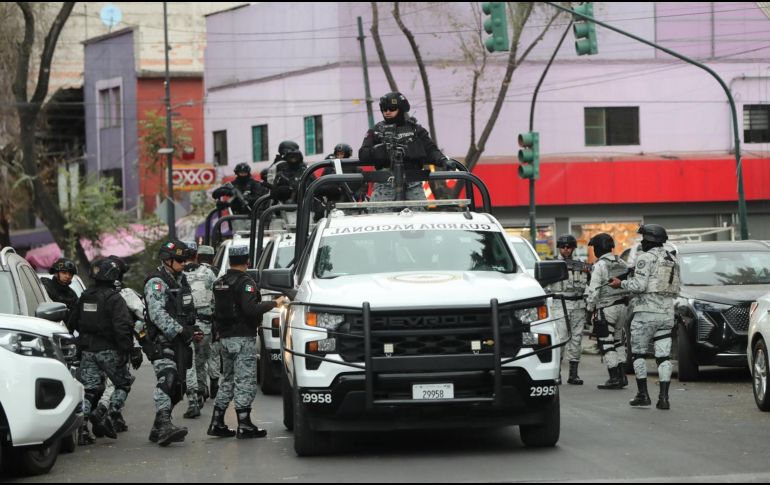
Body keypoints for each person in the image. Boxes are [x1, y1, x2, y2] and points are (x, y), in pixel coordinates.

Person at [208, 245, 286, 439]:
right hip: (242, 337)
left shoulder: (219, 282)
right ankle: (244, 424)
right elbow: (251, 309)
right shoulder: (245, 283)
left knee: (227, 379)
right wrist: (275, 303)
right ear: (247, 261)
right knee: (245, 380)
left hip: (225, 338)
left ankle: (216, 421)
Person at [610, 224, 680, 410]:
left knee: (639, 353)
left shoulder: (644, 258)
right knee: (663, 357)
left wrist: (621, 283)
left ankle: (643, 394)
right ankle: (664, 398)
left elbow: (639, 285)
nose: (642, 242)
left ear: (650, 240)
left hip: (646, 313)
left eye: (644, 239)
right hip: (667, 312)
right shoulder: (672, 258)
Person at [67, 258, 134, 445]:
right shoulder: (114, 298)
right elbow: (122, 326)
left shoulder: (85, 296)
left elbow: (72, 322)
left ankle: (82, 430)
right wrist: (127, 350)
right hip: (109, 350)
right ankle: (104, 413)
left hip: (87, 350)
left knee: (89, 391)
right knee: (124, 383)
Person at [143, 240, 203, 446]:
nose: (184, 263)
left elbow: (186, 311)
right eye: (179, 259)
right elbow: (156, 313)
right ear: (167, 260)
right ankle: (164, 424)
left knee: (178, 387)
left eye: (185, 259)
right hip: (162, 341)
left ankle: (157, 428)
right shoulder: (157, 283)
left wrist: (193, 330)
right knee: (167, 378)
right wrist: (180, 331)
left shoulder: (181, 280)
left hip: (181, 343)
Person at [358, 92, 458, 207]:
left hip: (412, 183)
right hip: (384, 184)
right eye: (384, 109)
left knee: (418, 220)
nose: (387, 112)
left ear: (401, 109)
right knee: (379, 221)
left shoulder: (416, 130)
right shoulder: (376, 131)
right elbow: (363, 154)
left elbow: (431, 150)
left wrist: (443, 160)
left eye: (392, 108)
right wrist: (378, 152)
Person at [94, 255, 144, 433]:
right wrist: (135, 346)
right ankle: (105, 412)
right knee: (119, 382)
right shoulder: (125, 293)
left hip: (94, 347)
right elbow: (141, 318)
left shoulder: (92, 294)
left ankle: (107, 415)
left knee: (99, 383)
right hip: (119, 345)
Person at [585, 233, 629, 390]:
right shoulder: (622, 262)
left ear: (597, 249)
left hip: (606, 308)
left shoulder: (600, 265)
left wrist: (589, 311)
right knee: (618, 341)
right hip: (623, 307)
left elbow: (594, 291)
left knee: (606, 342)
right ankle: (623, 376)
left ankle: (614, 377)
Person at [548, 234, 590, 385]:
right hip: (560, 304)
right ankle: (556, 373)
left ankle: (573, 374)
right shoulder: (552, 266)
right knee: (560, 340)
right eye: (563, 247)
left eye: (569, 247)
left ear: (573, 248)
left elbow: (591, 285)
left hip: (578, 305)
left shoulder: (582, 266)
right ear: (559, 248)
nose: (566, 249)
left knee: (577, 339)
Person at [182, 241, 217, 418]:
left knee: (189, 363)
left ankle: (193, 399)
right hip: (204, 326)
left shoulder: (177, 274)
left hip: (184, 327)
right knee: (200, 361)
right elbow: (217, 298)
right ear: (196, 255)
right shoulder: (208, 273)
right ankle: (202, 390)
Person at [198, 245, 222, 399]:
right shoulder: (217, 274)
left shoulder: (190, 273)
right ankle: (214, 382)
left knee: (199, 357)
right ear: (213, 258)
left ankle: (202, 388)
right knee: (213, 354)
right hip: (213, 321)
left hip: (196, 322)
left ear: (197, 257)